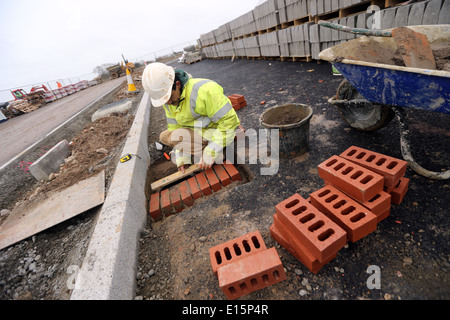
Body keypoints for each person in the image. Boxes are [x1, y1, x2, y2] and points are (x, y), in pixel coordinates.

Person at [142, 62, 241, 173]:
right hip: (200, 132)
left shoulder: (204, 90)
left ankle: (219, 153)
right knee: (165, 136)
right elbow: (176, 129)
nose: (168, 102)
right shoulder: (169, 103)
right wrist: (183, 159)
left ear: (178, 84)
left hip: (218, 131)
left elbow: (229, 121)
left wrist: (211, 151)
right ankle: (206, 152)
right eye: (165, 100)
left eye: (169, 97)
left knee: (177, 138)